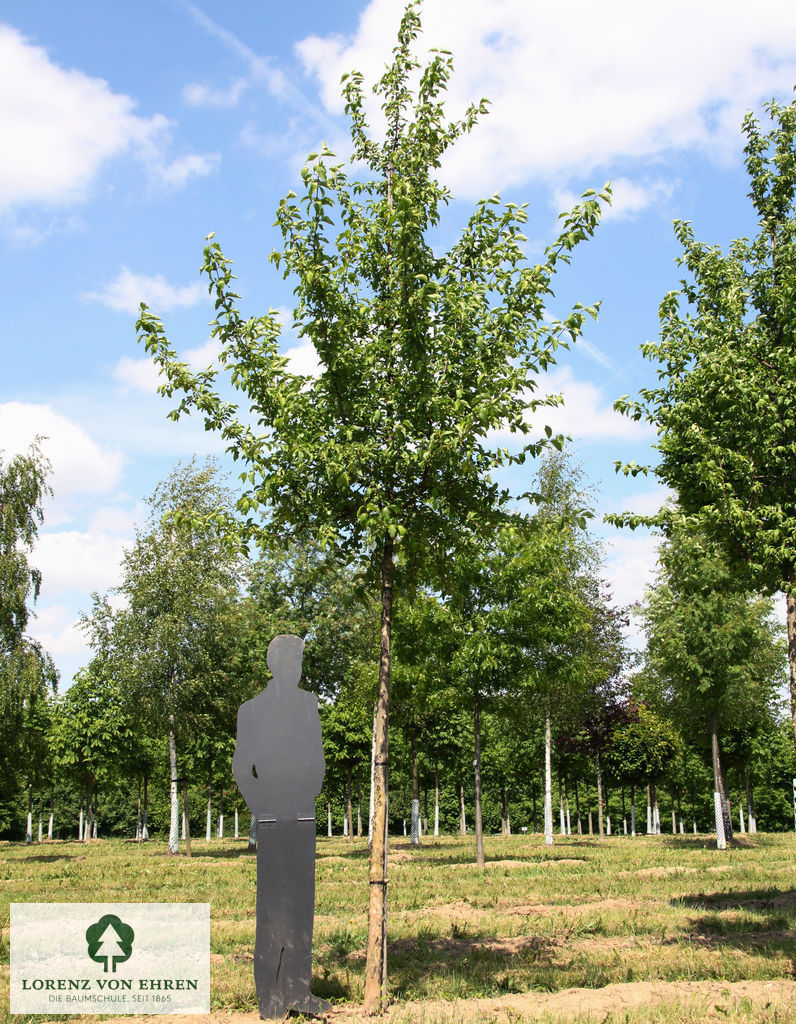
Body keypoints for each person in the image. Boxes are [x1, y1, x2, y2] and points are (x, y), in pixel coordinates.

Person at [233, 634, 330, 1019]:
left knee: (302, 905)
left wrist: (308, 795)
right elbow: (243, 767)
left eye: (300, 661)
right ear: (275, 664)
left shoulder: (309, 704)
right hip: (271, 818)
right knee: (273, 906)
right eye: (290, 661)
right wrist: (262, 806)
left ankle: (299, 992)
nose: (296, 668)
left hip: (303, 815)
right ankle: (270, 998)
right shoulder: (251, 710)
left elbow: (317, 755)